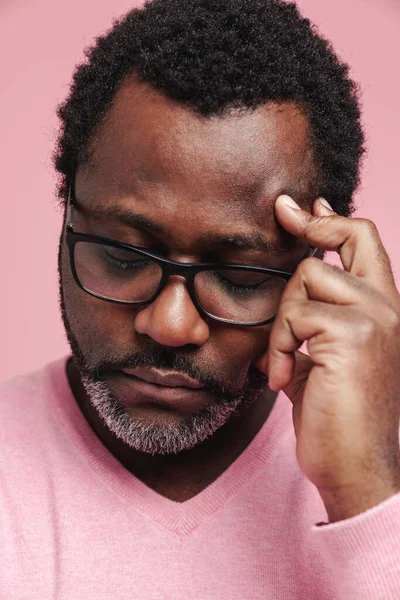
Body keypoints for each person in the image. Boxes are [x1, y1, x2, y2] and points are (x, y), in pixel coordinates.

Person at [1, 0, 400, 597]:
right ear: (66, 216)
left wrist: (365, 494)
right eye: (124, 256)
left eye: (242, 278)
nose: (171, 324)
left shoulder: (383, 478)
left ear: (317, 267)